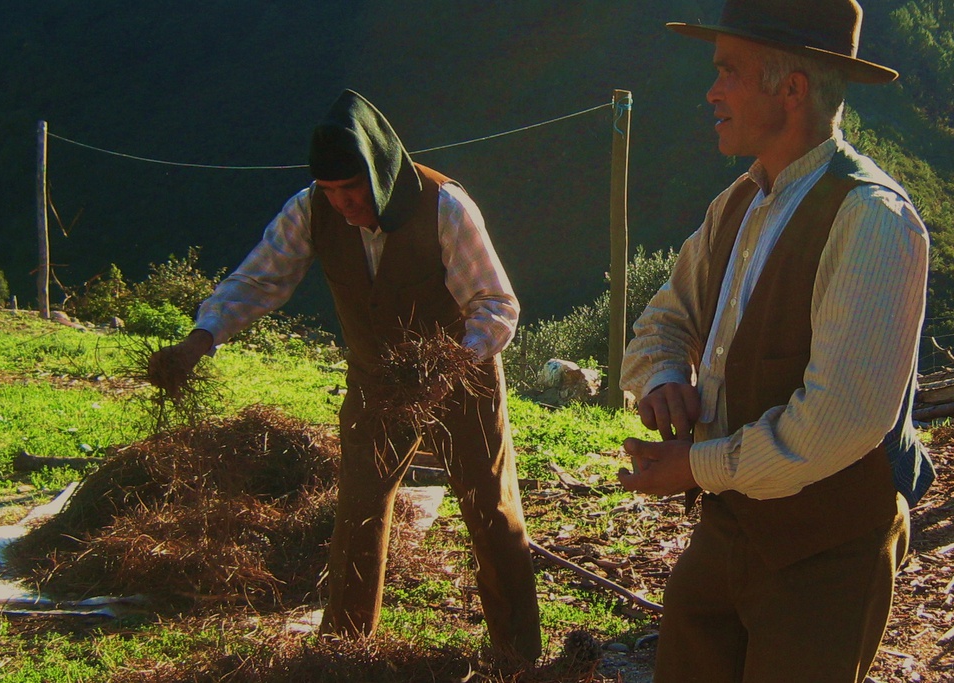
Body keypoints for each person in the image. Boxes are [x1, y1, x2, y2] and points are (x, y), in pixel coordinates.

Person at [148, 89, 542, 665]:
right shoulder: (310, 210)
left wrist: (452, 365)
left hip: (460, 376)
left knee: (490, 509)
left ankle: (518, 657)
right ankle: (343, 653)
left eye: (352, 189)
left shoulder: (445, 208)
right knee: (359, 508)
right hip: (375, 383)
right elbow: (259, 280)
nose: (342, 204)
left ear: (379, 174)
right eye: (331, 191)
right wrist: (199, 339)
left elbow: (495, 305)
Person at [616, 1, 934, 681]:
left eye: (729, 70)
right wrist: (666, 375)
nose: (711, 90)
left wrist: (691, 466)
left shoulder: (874, 223)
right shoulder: (738, 203)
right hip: (728, 531)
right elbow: (661, 322)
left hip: (826, 554)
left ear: (791, 90)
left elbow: (831, 427)